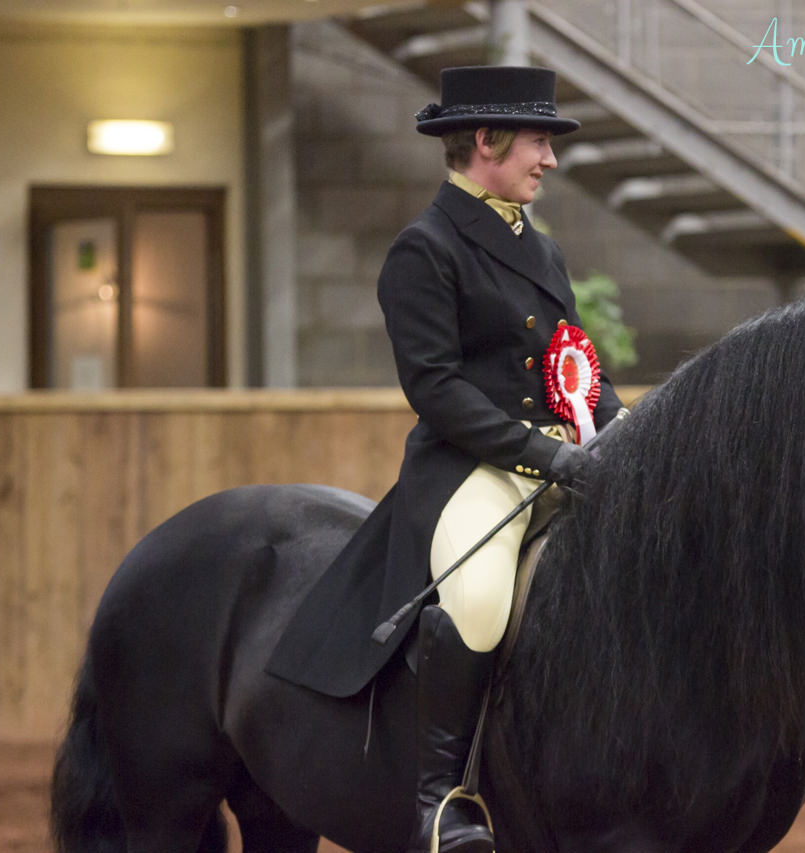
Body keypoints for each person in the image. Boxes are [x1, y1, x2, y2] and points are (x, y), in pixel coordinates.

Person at [266, 66, 624, 853]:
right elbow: (437, 389)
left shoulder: (545, 249)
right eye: (539, 141)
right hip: (474, 467)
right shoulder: (424, 249)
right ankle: (444, 797)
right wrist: (543, 456)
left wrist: (626, 438)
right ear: (488, 142)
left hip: (562, 459)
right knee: (483, 592)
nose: (550, 160)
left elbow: (573, 364)